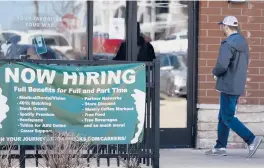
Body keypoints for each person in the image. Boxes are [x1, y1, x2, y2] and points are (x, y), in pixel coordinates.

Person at [205, 16, 263, 158]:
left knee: (228, 117)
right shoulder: (243, 42)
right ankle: (220, 146)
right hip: (237, 83)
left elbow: (222, 65)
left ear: (226, 26)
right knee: (223, 116)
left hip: (228, 84)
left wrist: (215, 73)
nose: (221, 28)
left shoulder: (228, 43)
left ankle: (251, 139)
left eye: (222, 26)